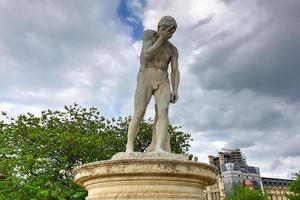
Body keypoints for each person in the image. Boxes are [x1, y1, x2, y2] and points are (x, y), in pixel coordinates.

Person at [126, 16, 180, 153]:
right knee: (139, 112)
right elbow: (145, 56)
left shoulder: (173, 50)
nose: (168, 33)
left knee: (164, 112)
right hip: (146, 77)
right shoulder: (149, 35)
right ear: (159, 27)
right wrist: (161, 39)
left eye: (171, 31)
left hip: (163, 79)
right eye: (165, 29)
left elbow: (175, 70)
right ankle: (129, 145)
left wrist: (175, 89)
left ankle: (159, 147)